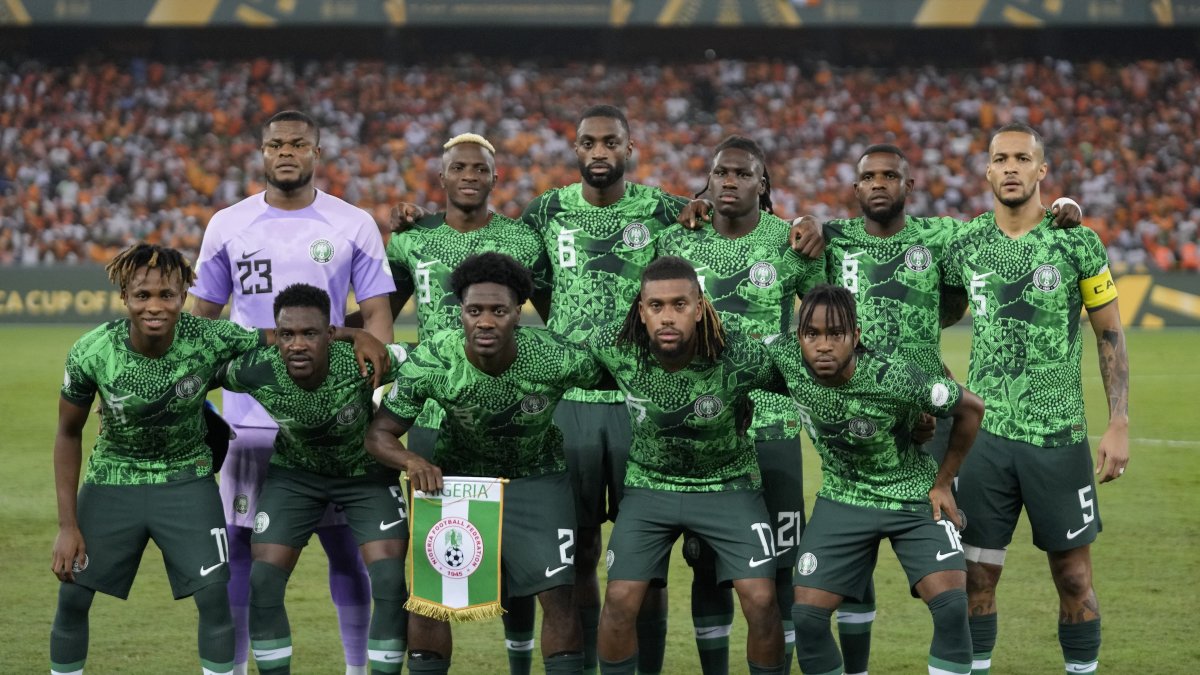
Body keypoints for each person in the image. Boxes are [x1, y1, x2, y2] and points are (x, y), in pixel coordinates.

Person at [191, 109, 396, 675]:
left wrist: (368, 396)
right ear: (262, 152)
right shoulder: (227, 224)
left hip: (333, 422)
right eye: (276, 144)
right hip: (248, 420)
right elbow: (201, 321)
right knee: (241, 550)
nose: (287, 152)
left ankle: (358, 667)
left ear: (317, 153)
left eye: (298, 144)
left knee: (345, 549)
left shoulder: (351, 222)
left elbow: (378, 315)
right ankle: (232, 669)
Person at [358, 132, 552, 675]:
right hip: (431, 420)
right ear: (441, 178)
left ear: (495, 178)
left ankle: (520, 662)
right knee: (438, 562)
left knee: (521, 560)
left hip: (512, 418)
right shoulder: (410, 241)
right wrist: (336, 335)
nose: (469, 175)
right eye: (458, 167)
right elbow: (381, 315)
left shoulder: (524, 242)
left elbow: (558, 320)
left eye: (480, 168)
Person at [944, 123, 1129, 675]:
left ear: (1040, 170)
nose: (1010, 168)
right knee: (977, 575)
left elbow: (1110, 334)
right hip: (985, 440)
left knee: (1074, 577)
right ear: (986, 171)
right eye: (1000, 158)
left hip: (1059, 437)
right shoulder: (966, 244)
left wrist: (1118, 421)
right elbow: (932, 309)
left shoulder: (1075, 241)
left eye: (1022, 158)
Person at [366, 252, 603, 675]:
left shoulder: (557, 356)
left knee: (558, 595)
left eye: (499, 311)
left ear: (518, 313)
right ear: (461, 313)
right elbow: (379, 433)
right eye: (475, 310)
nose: (486, 321)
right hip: (455, 481)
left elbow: (625, 376)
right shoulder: (436, 358)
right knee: (429, 602)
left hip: (537, 478)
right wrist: (412, 459)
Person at [521, 105, 687, 674]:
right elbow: (533, 287)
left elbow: (730, 230)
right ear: (575, 148)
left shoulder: (663, 208)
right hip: (570, 407)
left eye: (610, 142)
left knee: (646, 562)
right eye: (588, 142)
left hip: (642, 405)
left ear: (629, 147)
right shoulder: (547, 210)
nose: (599, 152)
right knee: (581, 551)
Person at [50, 244, 266, 675]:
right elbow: (67, 433)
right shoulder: (92, 351)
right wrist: (68, 526)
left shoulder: (210, 336)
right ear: (125, 296)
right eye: (142, 295)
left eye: (166, 295)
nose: (154, 306)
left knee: (213, 597)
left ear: (184, 294)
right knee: (73, 596)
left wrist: (355, 336)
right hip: (113, 478)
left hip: (187, 479)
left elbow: (286, 338)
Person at [655, 135, 824, 672]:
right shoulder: (678, 243)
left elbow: (822, 325)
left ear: (762, 184)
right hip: (700, 430)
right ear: (707, 181)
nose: (729, 181)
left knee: (780, 566)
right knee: (707, 566)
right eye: (720, 173)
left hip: (772, 428)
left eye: (742, 173)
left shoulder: (791, 243)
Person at [765, 284, 985, 675]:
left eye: (836, 334)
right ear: (798, 336)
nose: (823, 345)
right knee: (808, 619)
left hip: (912, 496)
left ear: (856, 335)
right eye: (812, 334)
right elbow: (729, 360)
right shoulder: (783, 355)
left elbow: (971, 408)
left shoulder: (895, 377)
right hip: (843, 496)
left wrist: (943, 481)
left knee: (952, 606)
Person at [589, 256, 789, 675]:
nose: (668, 316)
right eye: (656, 306)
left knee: (762, 599)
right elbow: (546, 368)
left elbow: (808, 377)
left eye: (680, 305)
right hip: (649, 487)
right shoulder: (615, 347)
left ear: (699, 309)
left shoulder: (739, 353)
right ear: (641, 311)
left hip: (729, 485)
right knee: (620, 600)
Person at [213, 283, 411, 675]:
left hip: (365, 475)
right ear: (276, 336)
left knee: (389, 581)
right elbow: (194, 369)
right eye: (287, 334)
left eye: (309, 334)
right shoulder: (257, 368)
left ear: (330, 334)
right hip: (295, 477)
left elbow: (436, 359)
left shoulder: (363, 360)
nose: (297, 345)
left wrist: (364, 337)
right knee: (264, 582)